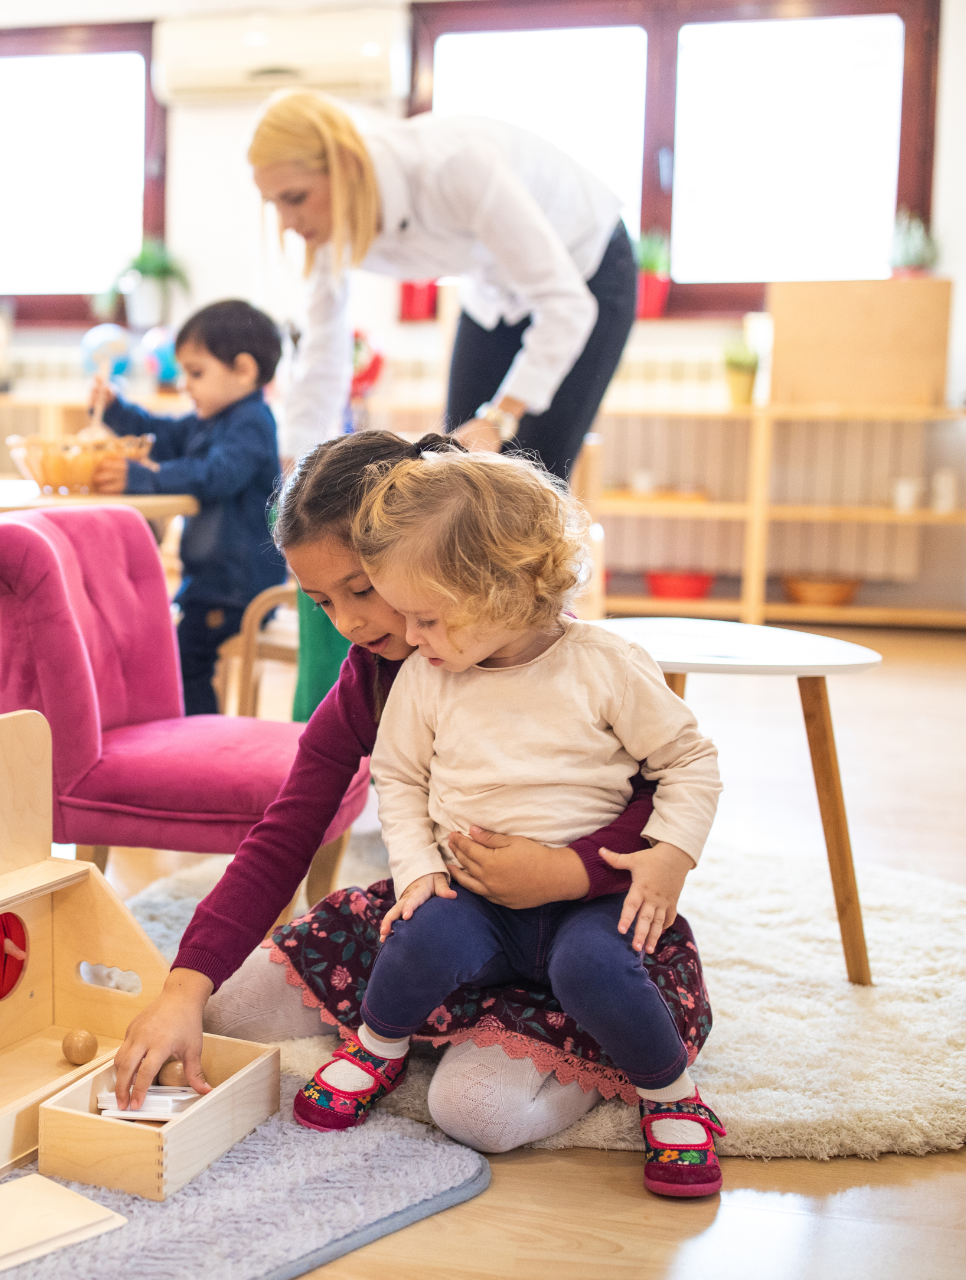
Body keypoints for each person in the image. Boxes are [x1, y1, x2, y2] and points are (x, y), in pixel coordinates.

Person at [112, 429, 714, 1159]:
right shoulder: (373, 678)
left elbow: (661, 785)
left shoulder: (560, 658)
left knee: (476, 1112)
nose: (350, 624)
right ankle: (412, 1028)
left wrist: (569, 873)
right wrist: (184, 985)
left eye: (363, 591)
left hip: (577, 923)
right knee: (225, 1012)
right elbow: (287, 830)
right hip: (457, 914)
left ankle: (603, 1054)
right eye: (321, 602)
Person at [292, 447, 726, 1198]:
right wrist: (420, 869)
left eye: (427, 617)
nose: (411, 635)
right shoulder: (428, 676)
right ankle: (378, 1047)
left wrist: (671, 855)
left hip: (588, 900)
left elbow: (688, 762)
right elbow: (396, 776)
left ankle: (672, 1095)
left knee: (594, 969)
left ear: (502, 590)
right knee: (416, 938)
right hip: (476, 898)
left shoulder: (607, 665)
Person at [248, 88, 639, 721]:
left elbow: (567, 305)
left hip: (585, 275)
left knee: (523, 486)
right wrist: (295, 469)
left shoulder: (455, 165)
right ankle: (447, 702)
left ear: (345, 165)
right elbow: (322, 356)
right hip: (493, 289)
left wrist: (501, 415)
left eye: (295, 197)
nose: (289, 221)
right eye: (275, 204)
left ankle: (546, 703)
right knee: (448, 493)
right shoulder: (328, 226)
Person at [91, 299, 289, 715]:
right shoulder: (211, 420)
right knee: (170, 649)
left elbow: (214, 475)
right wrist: (116, 410)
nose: (184, 384)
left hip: (239, 589)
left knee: (185, 660)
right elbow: (163, 434)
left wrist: (144, 478)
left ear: (244, 370)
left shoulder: (251, 423)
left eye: (195, 373)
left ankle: (202, 738)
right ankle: (187, 733)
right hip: (212, 585)